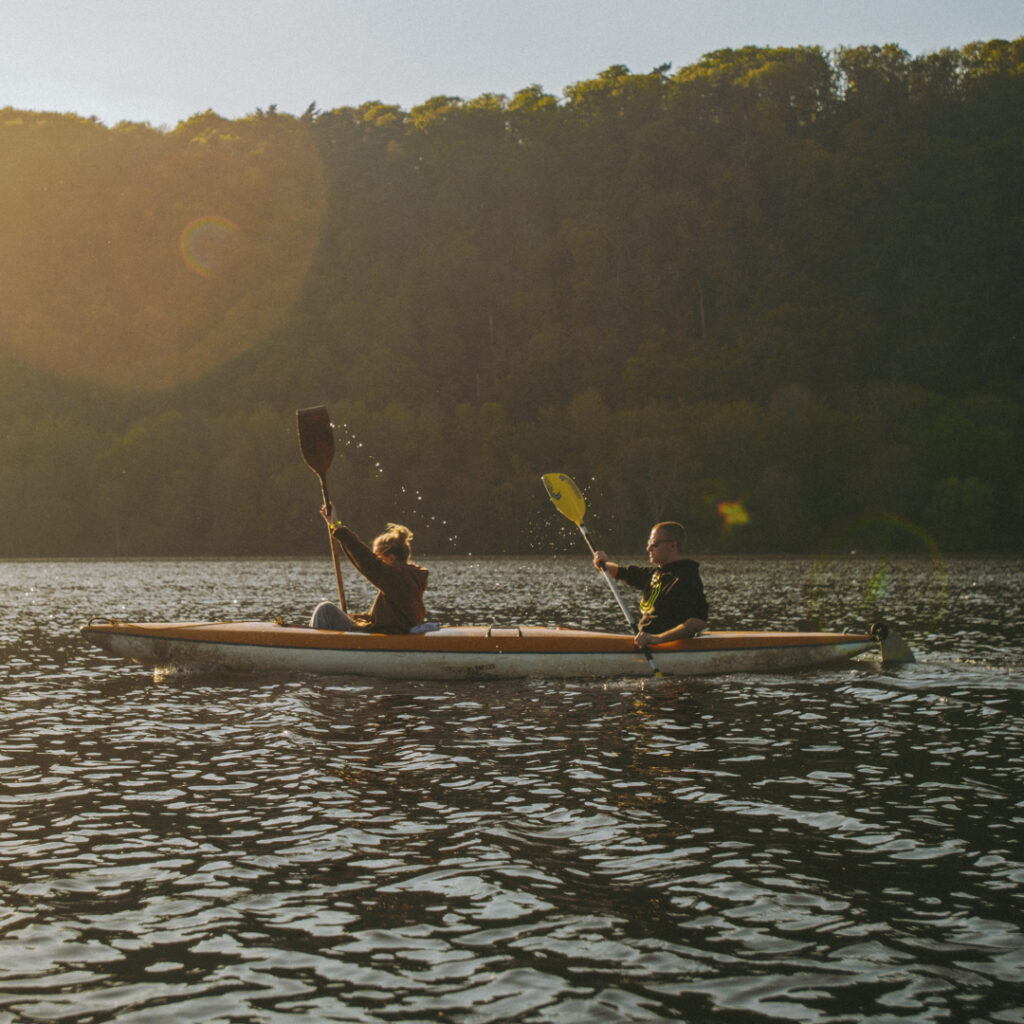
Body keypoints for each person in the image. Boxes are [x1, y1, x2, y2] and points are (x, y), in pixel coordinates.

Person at [309, 505, 428, 632]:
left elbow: (365, 559)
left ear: (391, 558)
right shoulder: (409, 577)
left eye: (378, 557)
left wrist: (337, 526)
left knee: (325, 610)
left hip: (386, 635)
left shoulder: (398, 578)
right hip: (389, 630)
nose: (377, 561)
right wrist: (353, 617)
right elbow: (384, 618)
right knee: (331, 612)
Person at [593, 521, 708, 647]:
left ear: (673, 546)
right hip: (646, 643)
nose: (649, 548)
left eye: (654, 543)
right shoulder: (653, 574)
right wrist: (601, 562)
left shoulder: (686, 577)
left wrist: (658, 639)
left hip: (665, 647)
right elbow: (616, 572)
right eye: (649, 543)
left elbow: (698, 621)